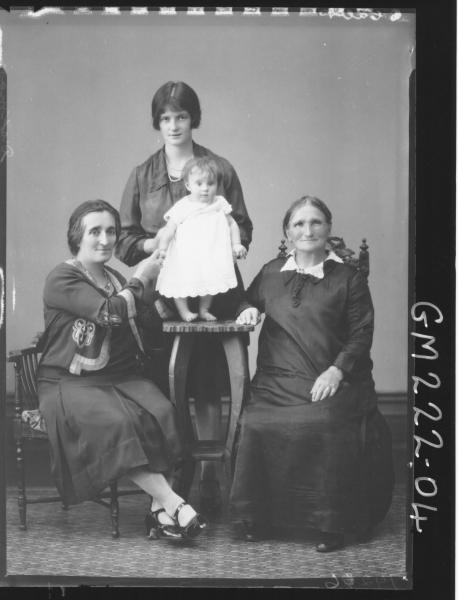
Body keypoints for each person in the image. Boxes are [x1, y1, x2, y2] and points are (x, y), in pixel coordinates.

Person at [115, 81, 253, 513]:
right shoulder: (142, 174)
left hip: (213, 291)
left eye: (182, 116)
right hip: (163, 298)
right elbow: (124, 238)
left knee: (209, 385)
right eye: (165, 118)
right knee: (165, 387)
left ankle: (211, 479)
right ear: (157, 123)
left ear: (195, 119)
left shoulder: (220, 169)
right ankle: (175, 482)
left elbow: (242, 226)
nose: (174, 125)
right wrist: (154, 246)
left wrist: (220, 246)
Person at [230, 196, 394, 552]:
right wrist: (245, 310)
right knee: (257, 423)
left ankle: (329, 523)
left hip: (332, 378)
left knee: (324, 423)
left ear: (328, 229)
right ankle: (259, 517)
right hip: (276, 382)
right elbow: (245, 300)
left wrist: (336, 371)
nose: (308, 230)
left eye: (316, 222)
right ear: (287, 232)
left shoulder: (348, 278)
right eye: (299, 224)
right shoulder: (272, 272)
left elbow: (361, 332)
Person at [37, 199, 206, 540]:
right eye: (94, 231)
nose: (105, 239)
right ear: (77, 237)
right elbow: (109, 313)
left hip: (117, 377)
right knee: (118, 423)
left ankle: (160, 512)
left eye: (111, 231)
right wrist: (141, 278)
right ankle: (175, 504)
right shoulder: (62, 277)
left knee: (163, 412)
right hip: (68, 383)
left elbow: (139, 319)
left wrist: (164, 289)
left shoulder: (115, 277)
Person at [156, 156, 247, 322]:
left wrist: (237, 244)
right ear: (188, 185)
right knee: (179, 281)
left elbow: (232, 225)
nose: (205, 189)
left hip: (209, 253)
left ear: (217, 185)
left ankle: (204, 309)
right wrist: (162, 249)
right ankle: (184, 311)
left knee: (209, 281)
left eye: (210, 184)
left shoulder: (219, 203)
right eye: (199, 184)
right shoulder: (183, 206)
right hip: (185, 255)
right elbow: (169, 230)